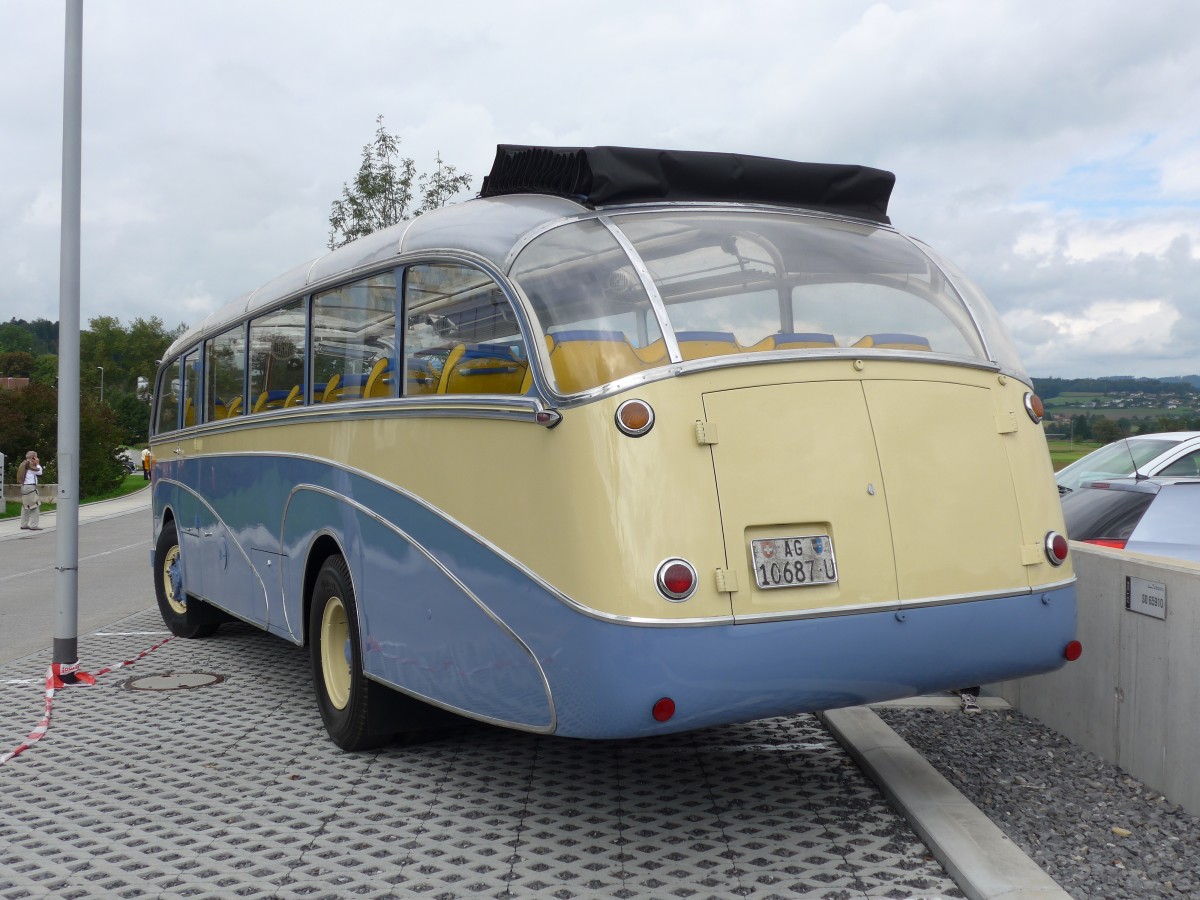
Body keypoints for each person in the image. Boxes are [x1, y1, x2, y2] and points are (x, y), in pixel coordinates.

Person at [16, 450, 44, 531]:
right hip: (30, 487)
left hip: (24, 487)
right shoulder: (31, 465)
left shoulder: (23, 464)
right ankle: (34, 525)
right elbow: (40, 472)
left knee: (26, 506)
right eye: (36, 457)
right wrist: (38, 463)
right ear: (33, 457)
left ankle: (24, 524)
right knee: (35, 505)